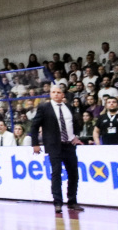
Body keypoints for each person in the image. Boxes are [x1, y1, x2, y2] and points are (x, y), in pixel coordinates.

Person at [31, 84, 84, 213]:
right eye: (53, 92)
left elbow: (76, 123)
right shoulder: (44, 107)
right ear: (50, 94)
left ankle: (72, 201)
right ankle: (57, 202)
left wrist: (76, 136)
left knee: (74, 174)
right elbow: (34, 125)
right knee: (56, 174)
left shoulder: (69, 107)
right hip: (54, 146)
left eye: (58, 92)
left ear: (63, 94)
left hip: (69, 145)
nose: (56, 94)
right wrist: (35, 144)